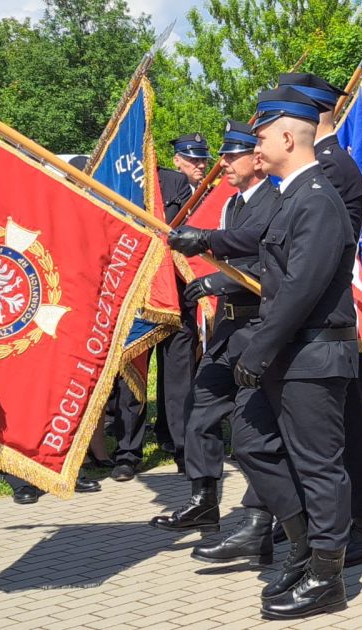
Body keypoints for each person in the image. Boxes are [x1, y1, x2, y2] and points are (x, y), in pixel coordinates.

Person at [171, 86, 357, 619]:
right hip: (287, 354)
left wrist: (257, 350)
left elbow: (300, 288)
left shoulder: (317, 198)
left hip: (312, 356)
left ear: (286, 138)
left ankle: (327, 577)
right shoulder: (294, 195)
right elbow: (254, 238)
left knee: (319, 468)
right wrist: (204, 239)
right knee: (253, 444)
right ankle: (299, 547)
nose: (255, 147)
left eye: (261, 137)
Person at [278, 72, 362, 568]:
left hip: (329, 313)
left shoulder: (331, 165)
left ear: (307, 114)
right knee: (330, 428)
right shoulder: (321, 163)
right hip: (316, 314)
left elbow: (318, 250)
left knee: (350, 426)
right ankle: (326, 521)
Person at [149, 121, 277, 544]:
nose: (222, 163)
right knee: (200, 409)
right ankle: (203, 499)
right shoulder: (234, 203)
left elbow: (265, 257)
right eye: (222, 155)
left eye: (232, 155)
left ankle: (260, 516)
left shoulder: (275, 201)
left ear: (256, 159)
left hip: (258, 325)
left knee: (253, 426)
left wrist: (216, 279)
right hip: (229, 325)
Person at [150, 133, 209, 473]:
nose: (200, 165)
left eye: (203, 159)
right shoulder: (165, 184)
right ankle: (148, 438)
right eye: (193, 159)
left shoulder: (207, 192)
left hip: (185, 292)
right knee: (145, 369)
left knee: (179, 370)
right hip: (155, 289)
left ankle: (182, 445)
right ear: (176, 160)